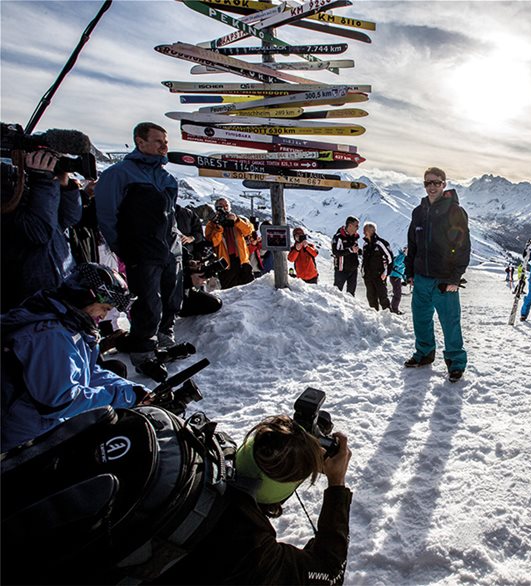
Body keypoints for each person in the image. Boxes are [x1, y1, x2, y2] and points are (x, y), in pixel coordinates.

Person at [153, 415, 353, 585]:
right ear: (279, 492)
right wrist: (337, 484)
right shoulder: (249, 546)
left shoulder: (198, 454)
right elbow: (329, 572)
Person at [0, 263, 145, 451]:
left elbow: (86, 370)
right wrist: (121, 397)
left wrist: (128, 389)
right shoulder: (50, 334)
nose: (104, 315)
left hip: (41, 427)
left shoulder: (69, 323)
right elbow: (61, 400)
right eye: (104, 307)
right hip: (21, 439)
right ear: (86, 297)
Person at [94, 122, 179, 379]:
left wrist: (176, 245)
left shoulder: (167, 178)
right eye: (158, 141)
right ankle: (143, 352)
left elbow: (171, 215)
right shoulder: (119, 174)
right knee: (147, 302)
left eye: (166, 141)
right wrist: (124, 247)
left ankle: (163, 336)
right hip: (141, 250)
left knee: (171, 296)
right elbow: (107, 215)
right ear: (140, 142)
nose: (165, 146)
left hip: (169, 249)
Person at [404, 167, 471, 383]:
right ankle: (424, 353)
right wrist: (410, 270)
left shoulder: (454, 211)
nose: (431, 187)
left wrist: (454, 277)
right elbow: (412, 243)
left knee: (450, 322)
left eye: (436, 182)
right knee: (421, 319)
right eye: (427, 183)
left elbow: (463, 246)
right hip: (422, 277)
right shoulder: (418, 211)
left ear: (444, 184)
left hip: (444, 279)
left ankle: (455, 363)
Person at [1, 150, 82, 312]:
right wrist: (43, 179)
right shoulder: (10, 191)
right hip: (28, 298)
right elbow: (39, 231)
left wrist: (64, 185)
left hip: (58, 283)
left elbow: (70, 218)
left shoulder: (38, 188)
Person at [205, 198, 255, 290]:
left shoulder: (239, 219)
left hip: (242, 260)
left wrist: (236, 221)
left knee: (249, 289)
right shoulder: (211, 225)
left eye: (226, 205)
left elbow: (249, 232)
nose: (224, 208)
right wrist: (219, 227)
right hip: (225, 263)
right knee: (229, 291)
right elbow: (213, 242)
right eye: (221, 205)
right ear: (216, 208)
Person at [360, 221, 394, 311]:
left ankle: (389, 318)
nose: (363, 232)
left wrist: (386, 273)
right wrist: (363, 272)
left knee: (383, 298)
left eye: (365, 230)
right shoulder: (365, 245)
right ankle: (375, 318)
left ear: (372, 231)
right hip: (368, 276)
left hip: (379, 276)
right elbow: (363, 260)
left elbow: (390, 259)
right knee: (371, 298)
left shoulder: (381, 243)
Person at [332, 216, 360, 295]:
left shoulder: (355, 237)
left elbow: (355, 250)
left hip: (353, 269)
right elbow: (335, 252)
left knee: (351, 293)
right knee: (337, 292)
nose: (358, 228)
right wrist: (350, 250)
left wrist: (359, 251)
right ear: (350, 225)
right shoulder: (338, 237)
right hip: (341, 270)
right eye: (356, 226)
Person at [389, 247, 407, 314]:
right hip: (395, 277)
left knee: (397, 294)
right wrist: (403, 255)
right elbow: (396, 263)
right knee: (397, 294)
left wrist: (405, 279)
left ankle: (393, 308)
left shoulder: (402, 257)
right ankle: (394, 309)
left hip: (396, 277)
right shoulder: (401, 256)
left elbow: (402, 270)